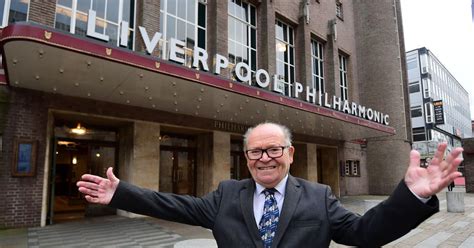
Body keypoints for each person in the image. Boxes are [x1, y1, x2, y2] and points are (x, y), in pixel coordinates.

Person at [77, 122, 463, 247]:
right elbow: (174, 205)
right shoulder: (227, 195)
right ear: (246, 159)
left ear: (290, 153)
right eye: (255, 153)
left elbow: (367, 233)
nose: (264, 158)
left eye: (273, 149)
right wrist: (121, 193)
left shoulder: (318, 196)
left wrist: (412, 195)